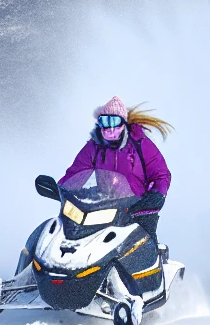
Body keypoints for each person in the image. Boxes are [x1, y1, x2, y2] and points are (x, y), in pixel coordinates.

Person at [59, 98, 171, 234]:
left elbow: (161, 174)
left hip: (138, 208)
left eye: (115, 121)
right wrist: (61, 190)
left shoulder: (141, 144)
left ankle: (153, 253)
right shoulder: (94, 146)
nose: (110, 127)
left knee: (144, 241)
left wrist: (156, 196)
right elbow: (76, 172)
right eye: (105, 121)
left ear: (123, 123)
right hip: (104, 206)